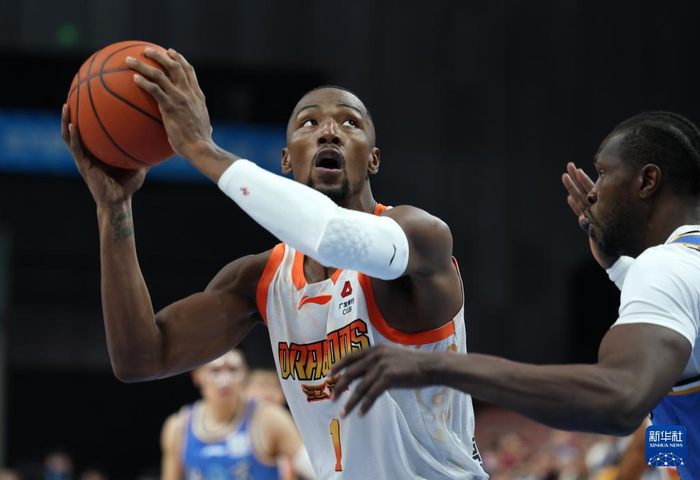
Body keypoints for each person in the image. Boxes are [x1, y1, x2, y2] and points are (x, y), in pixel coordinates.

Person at [60, 46, 487, 479]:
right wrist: (114, 209)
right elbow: (139, 359)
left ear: (373, 159)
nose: (329, 132)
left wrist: (201, 149)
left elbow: (332, 237)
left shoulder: (420, 237)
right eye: (309, 123)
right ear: (286, 160)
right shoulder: (261, 279)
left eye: (349, 122)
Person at [330, 112, 700, 478]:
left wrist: (436, 367)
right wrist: (616, 267)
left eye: (603, 173)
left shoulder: (665, 267)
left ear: (647, 181)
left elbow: (620, 401)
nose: (592, 191)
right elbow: (672, 425)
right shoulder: (682, 267)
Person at [160, 349, 315, 480]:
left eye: (233, 370)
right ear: (197, 376)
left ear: (245, 374)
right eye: (215, 371)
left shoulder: (269, 419)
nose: (225, 381)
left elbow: (314, 470)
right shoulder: (178, 426)